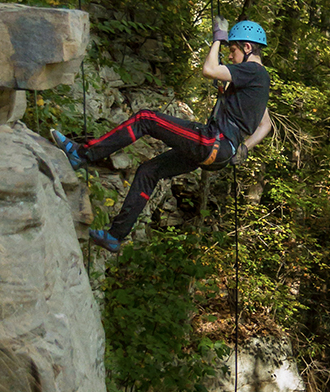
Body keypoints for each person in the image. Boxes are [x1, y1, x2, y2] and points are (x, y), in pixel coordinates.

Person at [52, 17, 272, 252]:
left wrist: (218, 39)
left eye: (233, 50)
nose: (230, 55)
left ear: (247, 48)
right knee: (149, 172)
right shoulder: (261, 80)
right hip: (221, 153)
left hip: (213, 141)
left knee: (146, 119)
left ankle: (82, 154)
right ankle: (115, 236)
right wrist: (244, 147)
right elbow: (266, 124)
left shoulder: (252, 70)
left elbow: (209, 70)